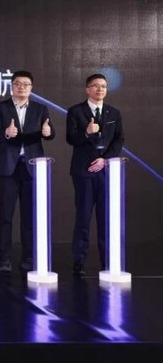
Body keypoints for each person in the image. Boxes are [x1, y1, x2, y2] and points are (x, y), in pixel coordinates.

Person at [0, 70, 55, 272]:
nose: (22, 87)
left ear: (31, 88)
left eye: (26, 84)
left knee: (29, 216)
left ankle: (29, 258)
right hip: (8, 168)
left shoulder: (40, 109)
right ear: (12, 86)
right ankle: (4, 259)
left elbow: (49, 132)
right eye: (18, 84)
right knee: (5, 216)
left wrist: (48, 132)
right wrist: (6, 133)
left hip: (32, 167)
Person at [66, 73, 124, 275]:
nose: (100, 89)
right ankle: (79, 261)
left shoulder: (113, 113)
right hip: (84, 171)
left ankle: (107, 261)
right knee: (83, 217)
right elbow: (71, 138)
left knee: (105, 218)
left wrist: (105, 159)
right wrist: (87, 132)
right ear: (87, 89)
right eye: (96, 86)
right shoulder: (75, 111)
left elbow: (118, 140)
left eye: (104, 86)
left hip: (106, 171)